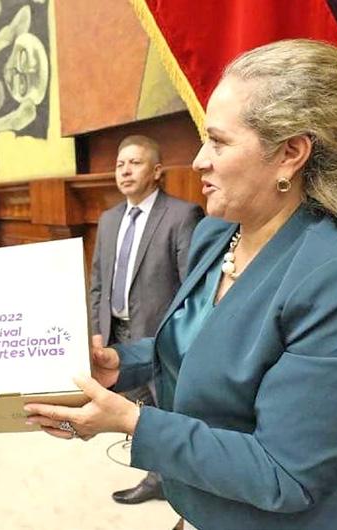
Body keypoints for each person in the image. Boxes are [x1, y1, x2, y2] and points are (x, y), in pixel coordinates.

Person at [25, 39, 337, 530]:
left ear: (290, 153)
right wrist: (122, 364)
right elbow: (202, 346)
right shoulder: (216, 234)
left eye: (218, 142)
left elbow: (285, 475)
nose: (199, 160)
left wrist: (132, 421)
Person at [90, 135, 202, 504]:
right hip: (116, 334)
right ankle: (160, 476)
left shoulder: (181, 215)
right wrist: (96, 331)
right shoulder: (109, 219)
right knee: (138, 410)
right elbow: (98, 281)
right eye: (120, 164)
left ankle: (170, 483)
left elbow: (193, 287)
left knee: (166, 412)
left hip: (158, 340)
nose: (125, 171)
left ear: (156, 171)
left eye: (135, 163)